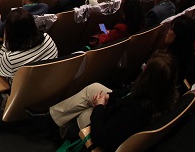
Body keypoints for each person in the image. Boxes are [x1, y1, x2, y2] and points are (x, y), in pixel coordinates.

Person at [35, 51, 179, 151]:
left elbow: (101, 137)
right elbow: (128, 92)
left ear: (148, 77)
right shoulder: (160, 94)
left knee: (84, 111)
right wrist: (110, 96)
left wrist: (99, 107)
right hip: (114, 111)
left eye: (146, 68)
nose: (144, 67)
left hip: (103, 128)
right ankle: (52, 117)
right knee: (94, 88)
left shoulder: (136, 109)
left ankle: (55, 126)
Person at [0, 8, 58, 78]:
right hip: (50, 81)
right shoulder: (47, 38)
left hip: (22, 84)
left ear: (9, 32)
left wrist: (6, 41)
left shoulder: (11, 59)